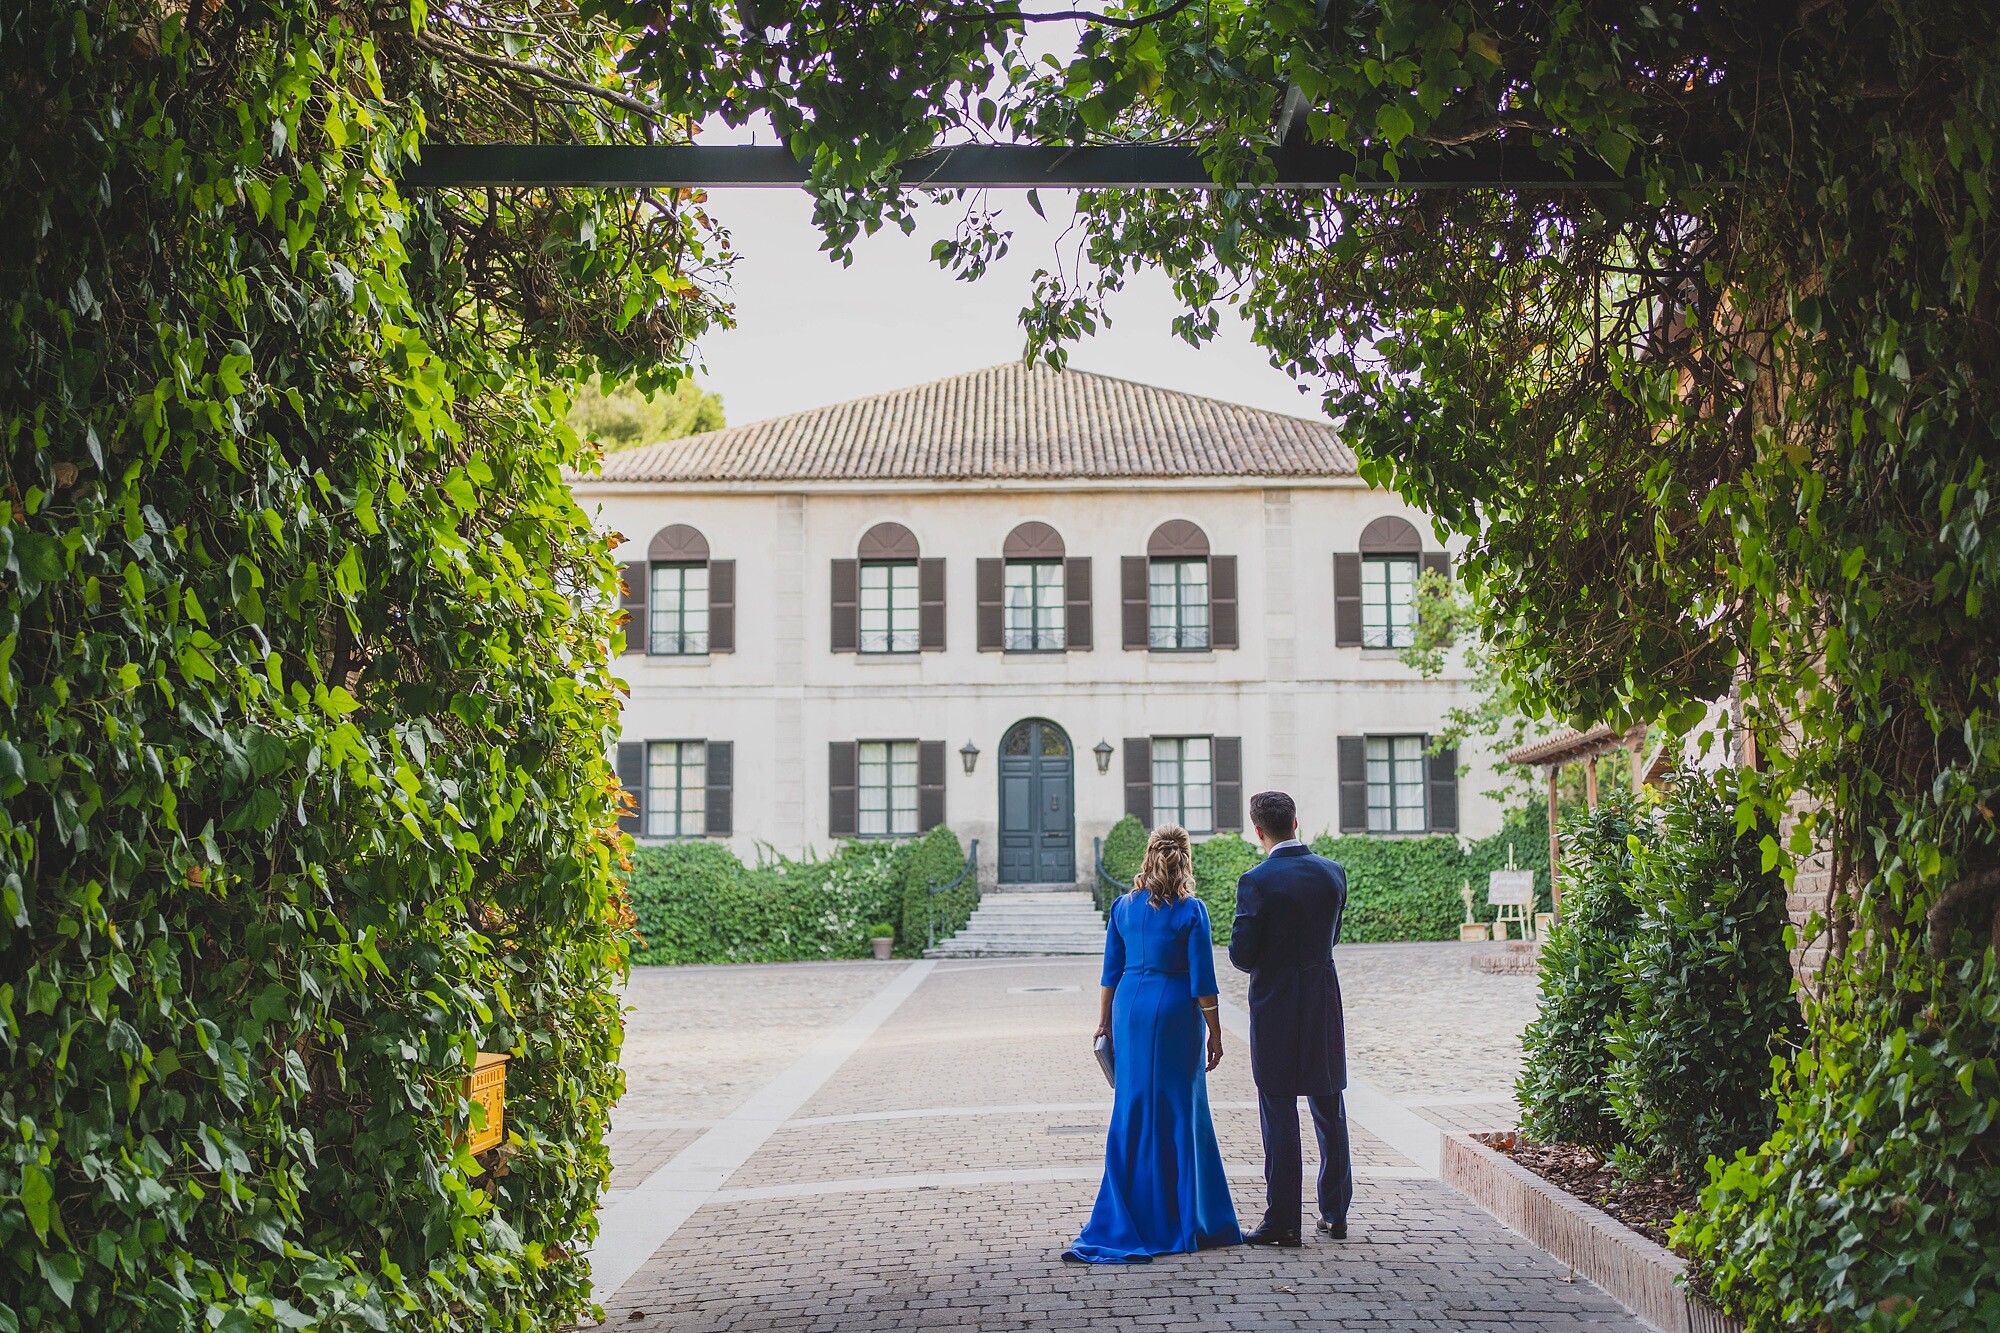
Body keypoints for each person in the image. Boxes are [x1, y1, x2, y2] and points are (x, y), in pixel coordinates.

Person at [1063, 823, 1243, 1263]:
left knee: (1132, 1106)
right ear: (1184, 858)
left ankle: (1127, 1211)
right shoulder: (1191, 910)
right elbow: (1204, 981)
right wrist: (1216, 1031)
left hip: (1130, 1011)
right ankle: (1184, 1219)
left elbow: (1110, 971)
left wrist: (1104, 1022)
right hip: (1177, 1013)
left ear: (1147, 856)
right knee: (1181, 1110)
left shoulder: (1123, 908)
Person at [1229, 789, 1352, 1247]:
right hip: (1321, 998)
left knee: (1278, 1110)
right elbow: (1333, 936)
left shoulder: (1256, 881)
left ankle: (1284, 1221)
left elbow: (1243, 955)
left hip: (1276, 1004)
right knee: (1329, 1106)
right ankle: (1335, 1213)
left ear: (1258, 831)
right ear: (1296, 822)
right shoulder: (1333, 873)